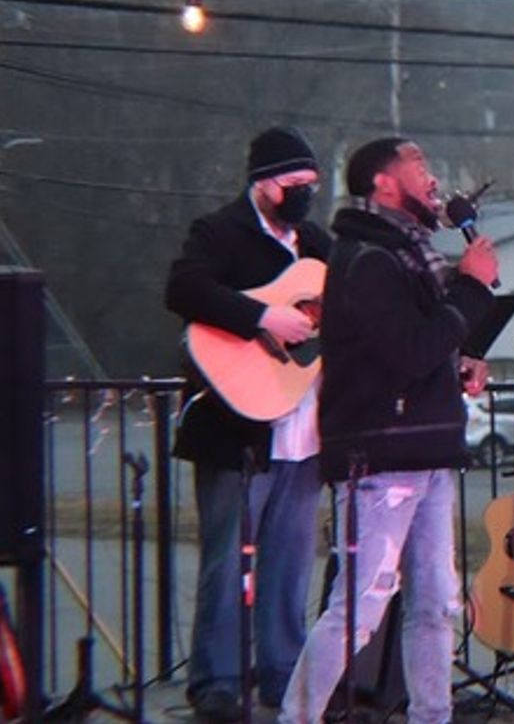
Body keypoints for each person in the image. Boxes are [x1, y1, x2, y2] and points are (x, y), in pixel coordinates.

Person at [280, 137, 498, 724]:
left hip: (425, 448)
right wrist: (472, 288)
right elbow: (408, 350)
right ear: (383, 182)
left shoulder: (409, 255)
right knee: (359, 606)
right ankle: (294, 717)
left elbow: (423, 346)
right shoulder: (366, 259)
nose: (432, 177)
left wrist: (461, 360)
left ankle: (433, 715)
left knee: (436, 605)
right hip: (381, 459)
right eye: (419, 163)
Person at [165, 126, 331, 720]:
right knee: (228, 557)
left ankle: (281, 671)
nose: (305, 196)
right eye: (294, 185)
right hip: (235, 423)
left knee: (290, 561)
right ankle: (216, 680)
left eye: (312, 185)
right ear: (262, 184)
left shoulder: (316, 242)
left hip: (303, 427)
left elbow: (348, 302)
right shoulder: (219, 232)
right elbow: (183, 287)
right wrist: (262, 316)